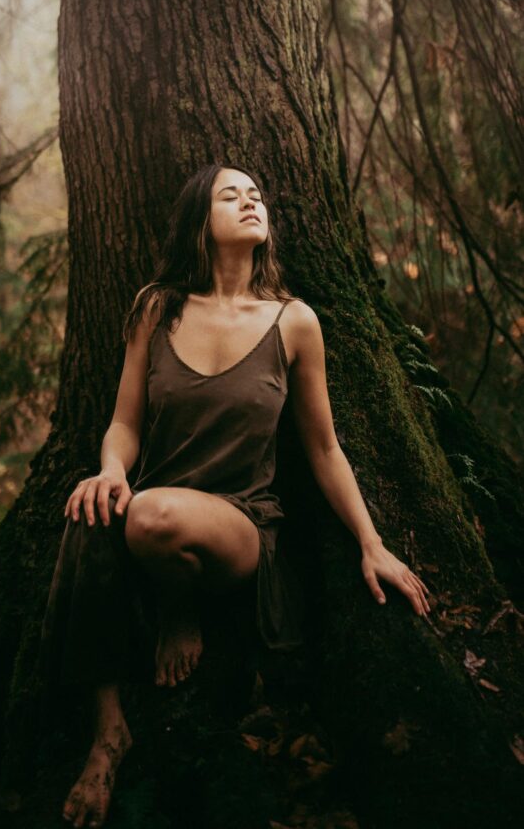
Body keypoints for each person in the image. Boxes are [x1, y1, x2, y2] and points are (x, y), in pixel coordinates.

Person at [39, 163, 432, 829]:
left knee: (150, 513)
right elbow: (125, 421)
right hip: (148, 506)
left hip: (241, 526)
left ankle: (180, 606)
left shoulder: (293, 321)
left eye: (256, 194)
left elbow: (322, 449)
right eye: (231, 195)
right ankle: (108, 733)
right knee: (89, 510)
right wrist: (109, 469)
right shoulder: (155, 308)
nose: (251, 202)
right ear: (200, 219)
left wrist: (372, 545)